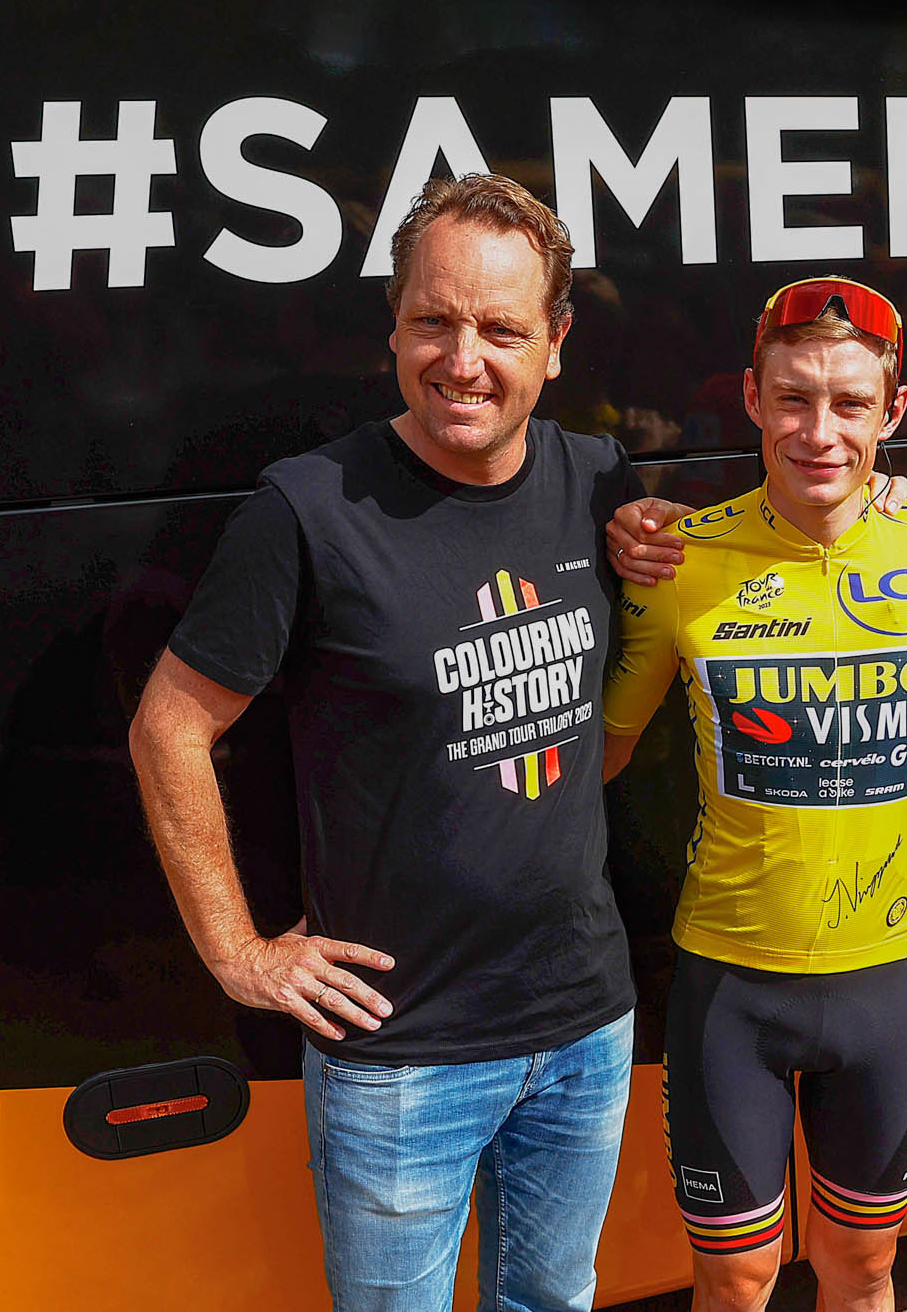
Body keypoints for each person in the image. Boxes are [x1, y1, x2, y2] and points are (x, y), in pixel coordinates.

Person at [128, 174, 640, 1311]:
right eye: (433, 321)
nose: (463, 360)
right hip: (402, 1055)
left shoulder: (594, 479)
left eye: (501, 329)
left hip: (585, 1026)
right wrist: (239, 952)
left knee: (553, 1301)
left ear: (553, 343)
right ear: (393, 327)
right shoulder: (306, 510)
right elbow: (169, 726)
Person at [599, 278, 907, 1312]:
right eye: (793, 399)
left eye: (850, 403)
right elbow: (598, 754)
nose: (820, 430)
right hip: (730, 988)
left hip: (882, 986)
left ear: (892, 413)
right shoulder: (680, 560)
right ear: (751, 399)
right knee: (737, 1277)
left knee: (863, 1269)